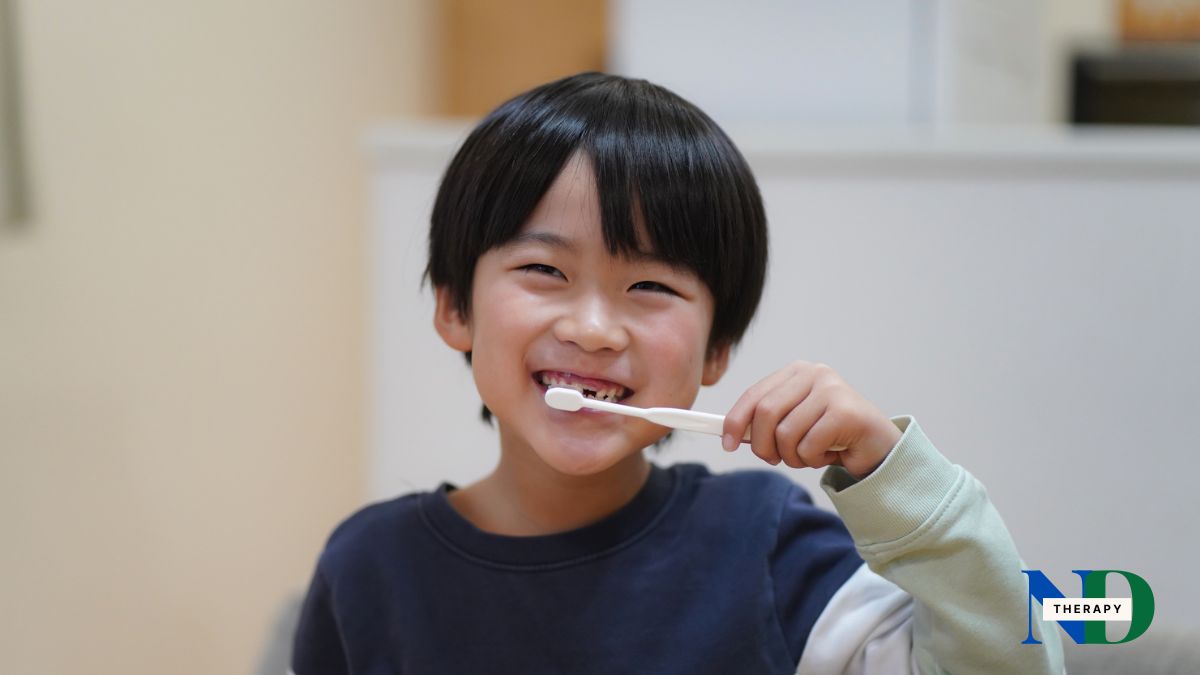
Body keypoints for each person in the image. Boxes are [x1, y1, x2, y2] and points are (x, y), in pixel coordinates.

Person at [290, 72, 1064, 674]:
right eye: (541, 268)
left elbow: (1011, 655)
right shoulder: (368, 569)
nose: (592, 328)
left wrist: (897, 477)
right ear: (455, 307)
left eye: (650, 287)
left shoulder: (766, 547)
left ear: (716, 351)